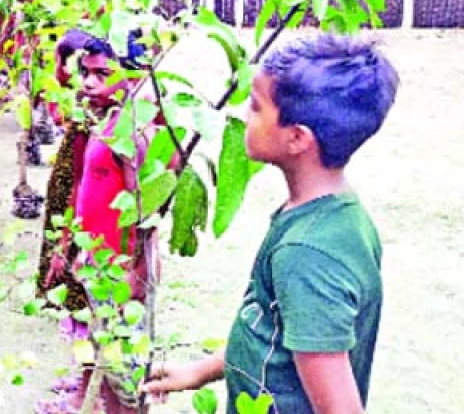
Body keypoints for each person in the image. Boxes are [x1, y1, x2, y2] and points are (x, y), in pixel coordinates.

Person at [143, 34, 400, 414]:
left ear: (297, 138)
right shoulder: (330, 215)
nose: (245, 117)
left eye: (256, 107)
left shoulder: (308, 254)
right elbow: (270, 326)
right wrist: (198, 372)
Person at [35, 28, 158, 414]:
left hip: (118, 267)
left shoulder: (133, 132)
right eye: (86, 71)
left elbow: (144, 210)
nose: (88, 82)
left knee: (123, 375)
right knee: (104, 357)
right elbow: (86, 190)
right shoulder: (102, 120)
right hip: (94, 260)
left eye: (102, 74)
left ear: (135, 76)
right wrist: (68, 246)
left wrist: (136, 268)